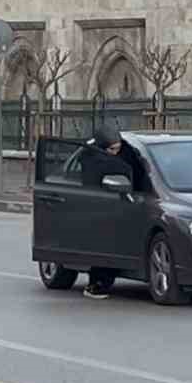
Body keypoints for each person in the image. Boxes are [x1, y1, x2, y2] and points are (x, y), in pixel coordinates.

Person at [79, 126, 134, 300]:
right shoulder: (93, 159)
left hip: (117, 206)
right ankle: (97, 283)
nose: (116, 152)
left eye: (118, 148)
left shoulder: (119, 155)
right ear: (101, 147)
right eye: (112, 149)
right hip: (99, 207)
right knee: (103, 244)